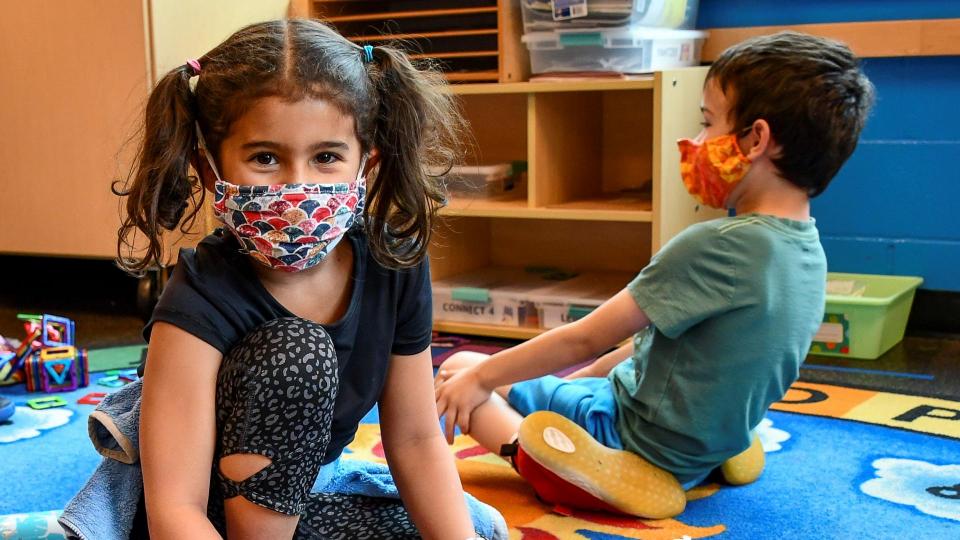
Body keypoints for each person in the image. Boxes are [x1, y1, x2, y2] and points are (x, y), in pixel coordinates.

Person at [434, 31, 875, 519]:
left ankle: (548, 462)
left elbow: (585, 338)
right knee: (558, 383)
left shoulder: (717, 245)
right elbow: (660, 341)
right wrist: (576, 386)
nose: (698, 142)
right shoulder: (808, 251)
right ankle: (715, 451)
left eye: (708, 124)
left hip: (633, 436)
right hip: (704, 438)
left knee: (459, 372)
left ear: (755, 140)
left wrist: (482, 377)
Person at [113, 18, 492, 540]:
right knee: (299, 351)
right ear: (210, 170)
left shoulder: (393, 261)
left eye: (326, 157)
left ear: (366, 164)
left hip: (310, 500)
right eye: (265, 157)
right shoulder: (202, 293)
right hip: (212, 520)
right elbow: (175, 509)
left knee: (476, 527)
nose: (297, 186)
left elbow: (415, 439)